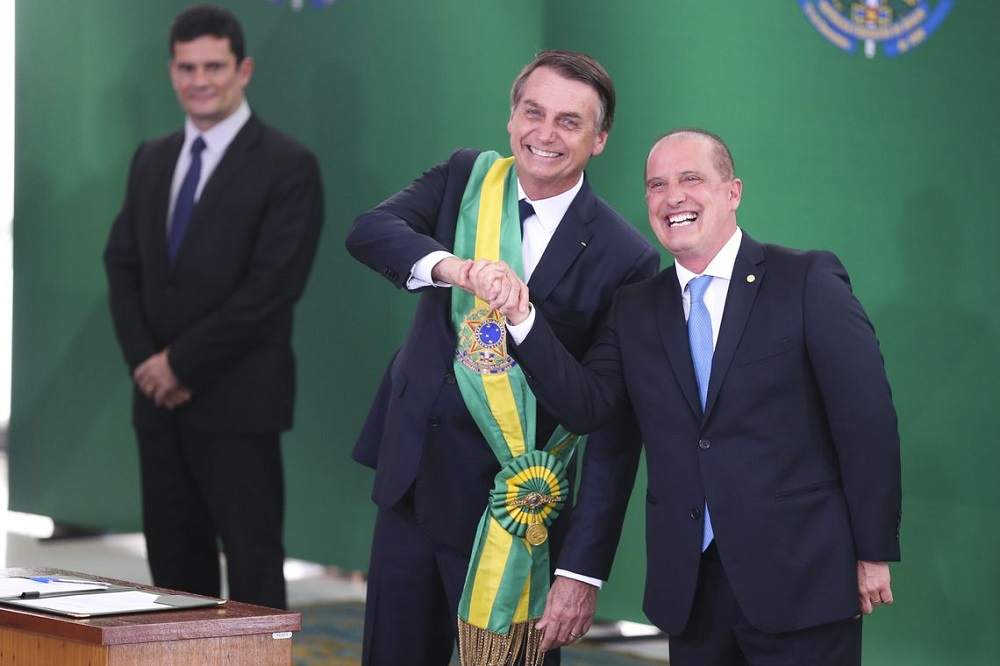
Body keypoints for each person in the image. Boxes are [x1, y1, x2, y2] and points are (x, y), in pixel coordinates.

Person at [476, 128, 902, 665]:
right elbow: (588, 407)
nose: (672, 196)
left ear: (733, 192)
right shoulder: (634, 309)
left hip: (804, 580)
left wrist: (871, 551)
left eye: (691, 179)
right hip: (691, 592)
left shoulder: (805, 279)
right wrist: (522, 318)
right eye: (656, 185)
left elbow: (866, 424)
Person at [346, 50, 659, 665]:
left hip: (515, 518)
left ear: (600, 139)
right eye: (532, 112)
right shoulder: (468, 178)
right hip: (410, 485)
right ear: (511, 117)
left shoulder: (627, 257)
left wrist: (582, 570)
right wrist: (454, 268)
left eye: (570, 122)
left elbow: (608, 421)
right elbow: (369, 232)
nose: (545, 134)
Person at [103, 4, 324, 610]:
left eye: (214, 66)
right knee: (171, 580)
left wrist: (180, 365)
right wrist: (148, 364)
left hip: (238, 406)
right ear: (172, 71)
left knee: (253, 575)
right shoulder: (151, 158)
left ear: (243, 69)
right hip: (157, 409)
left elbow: (271, 290)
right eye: (186, 67)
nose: (199, 80)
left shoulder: (288, 165)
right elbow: (121, 266)